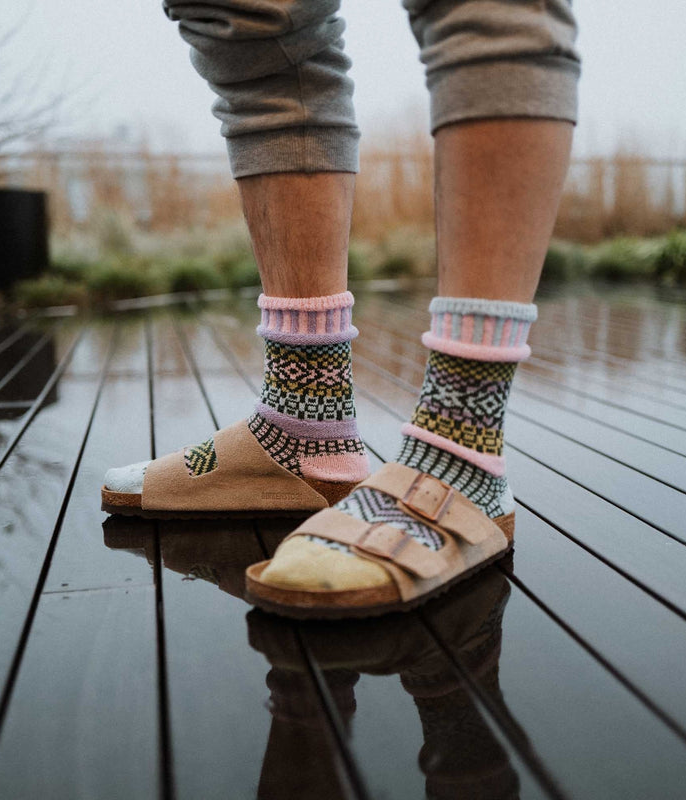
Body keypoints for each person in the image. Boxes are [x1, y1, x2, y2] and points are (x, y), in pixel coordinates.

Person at [101, 0, 581, 617]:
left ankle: (462, 450)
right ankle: (304, 421)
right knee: (249, 24)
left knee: (486, 9)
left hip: (461, 457)